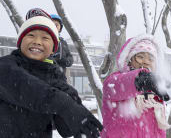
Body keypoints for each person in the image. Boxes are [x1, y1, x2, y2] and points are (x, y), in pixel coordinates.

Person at [0, 9, 102, 138]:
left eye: (45, 38)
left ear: (53, 48)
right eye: (31, 35)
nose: (37, 41)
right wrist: (65, 103)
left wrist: (72, 99)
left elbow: (65, 130)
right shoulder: (6, 65)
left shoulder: (54, 76)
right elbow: (26, 87)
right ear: (20, 42)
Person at [101, 34, 170, 138]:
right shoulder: (115, 81)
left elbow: (159, 131)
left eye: (151, 59)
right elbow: (122, 85)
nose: (146, 61)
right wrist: (140, 79)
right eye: (140, 57)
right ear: (129, 59)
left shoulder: (155, 94)